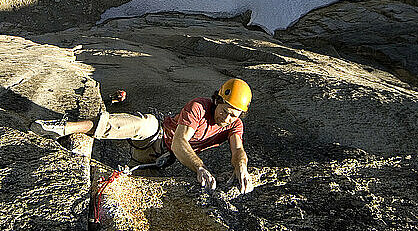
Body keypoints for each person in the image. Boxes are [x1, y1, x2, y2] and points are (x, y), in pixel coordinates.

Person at [31, 78, 254, 193]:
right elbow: (179, 142)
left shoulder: (233, 125)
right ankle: (64, 128)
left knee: (145, 195)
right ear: (217, 101)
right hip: (156, 134)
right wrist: (200, 168)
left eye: (234, 115)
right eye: (225, 111)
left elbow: (238, 150)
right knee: (140, 124)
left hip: (156, 161)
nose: (227, 118)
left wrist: (241, 166)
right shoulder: (199, 107)